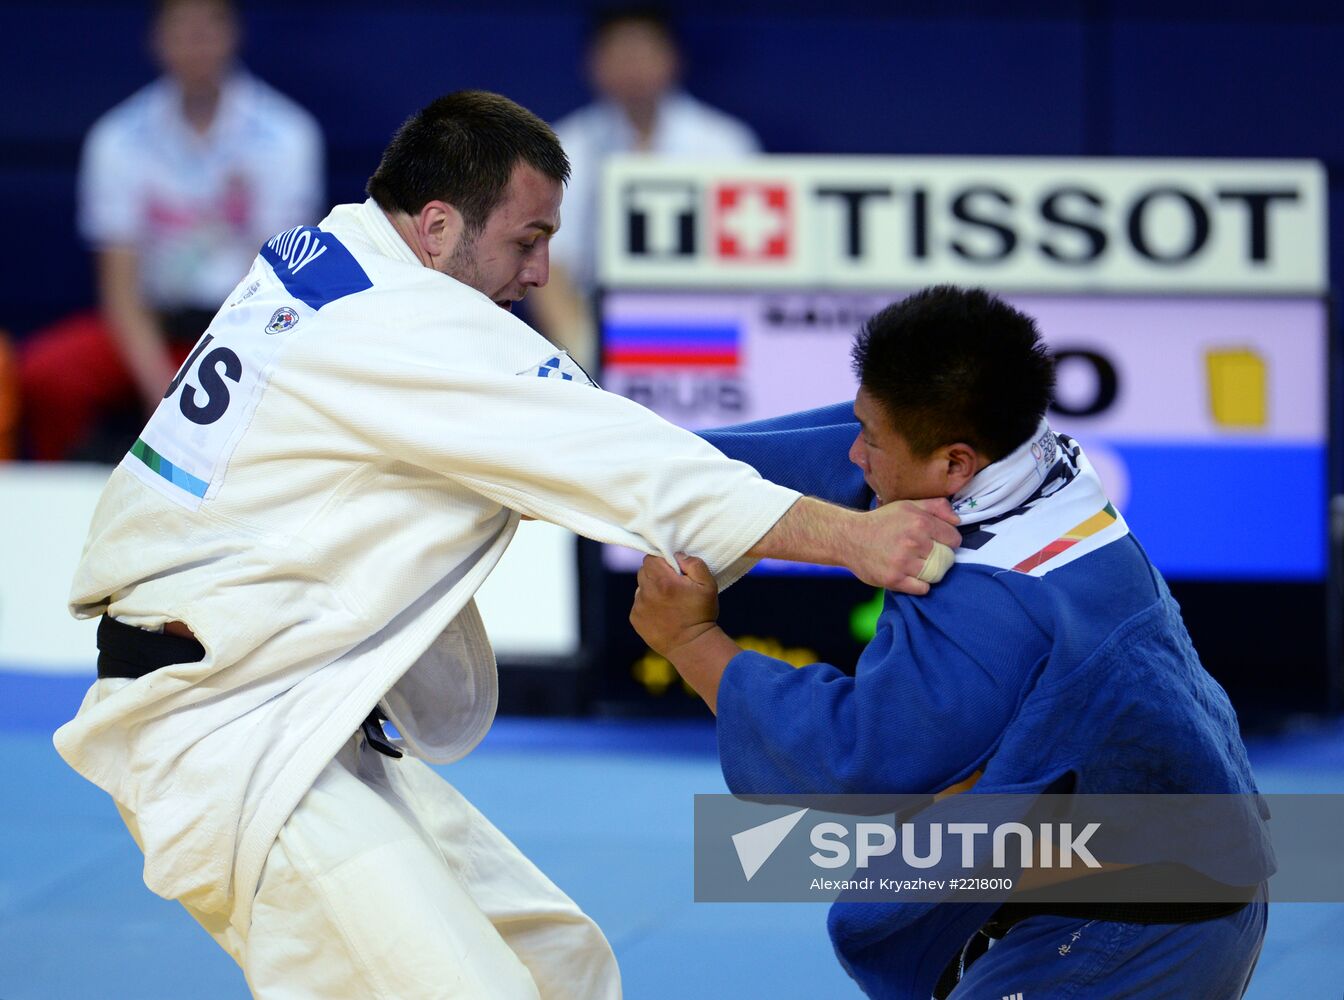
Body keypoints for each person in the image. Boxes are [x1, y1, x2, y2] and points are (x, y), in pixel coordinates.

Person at [53, 91, 960, 999]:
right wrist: (853, 537)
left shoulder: (336, 257)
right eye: (527, 240)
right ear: (440, 225)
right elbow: (626, 459)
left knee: (558, 966)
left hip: (296, 707)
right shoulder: (403, 324)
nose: (539, 271)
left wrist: (856, 451)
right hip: (221, 731)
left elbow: (619, 444)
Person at [630, 286, 1269, 999]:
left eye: (871, 439)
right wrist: (620, 475)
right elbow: (815, 457)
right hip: (1188, 856)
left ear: (955, 465)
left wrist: (689, 639)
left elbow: (853, 762)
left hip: (1142, 927)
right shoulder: (1034, 459)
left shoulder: (991, 601)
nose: (853, 450)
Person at [19, 0, 322, 461]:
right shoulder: (117, 138)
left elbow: (279, 281)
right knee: (48, 375)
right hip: (148, 328)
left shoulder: (287, 135)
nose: (196, 43)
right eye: (182, 29)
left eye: (209, 27)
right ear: (156, 39)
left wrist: (211, 376)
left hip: (243, 328)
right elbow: (119, 286)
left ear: (233, 33)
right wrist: (161, 386)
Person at [528, 6, 760, 368]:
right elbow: (550, 264)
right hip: (601, 333)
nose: (632, 66)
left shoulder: (725, 145)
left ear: (672, 57)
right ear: (594, 62)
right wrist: (585, 358)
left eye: (643, 50)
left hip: (710, 330)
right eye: (620, 52)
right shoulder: (566, 146)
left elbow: (754, 263)